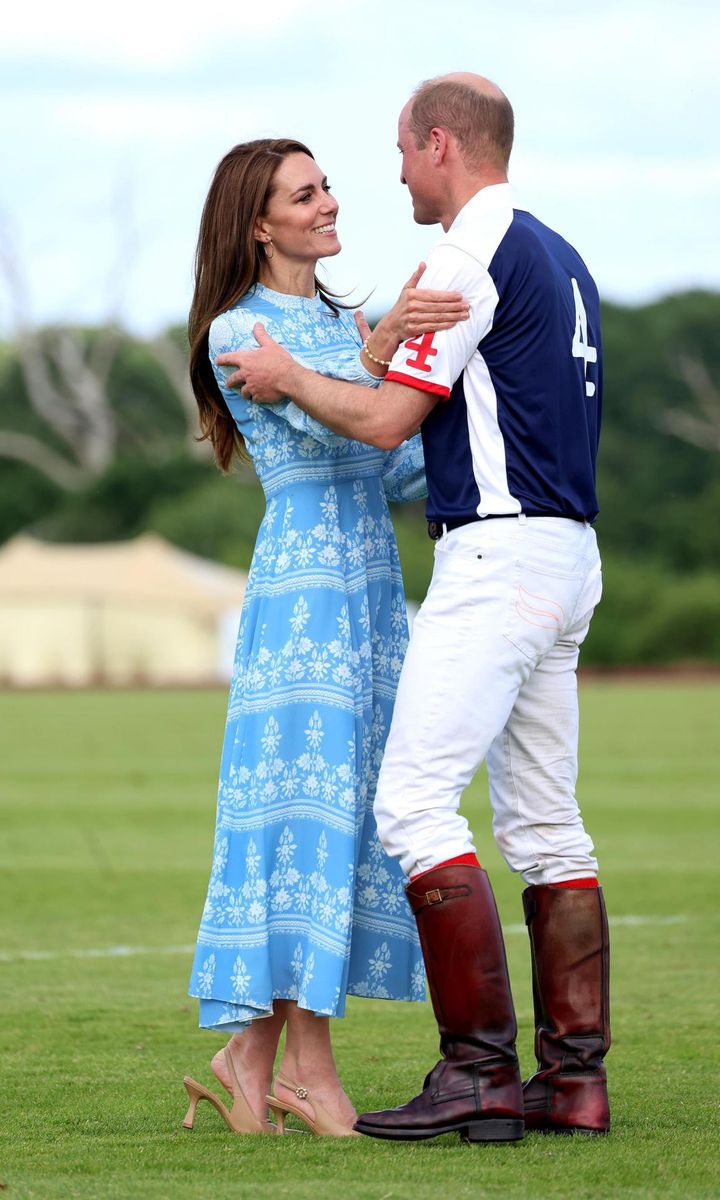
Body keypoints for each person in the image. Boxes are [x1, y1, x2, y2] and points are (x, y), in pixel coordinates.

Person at [217, 74, 611, 1145]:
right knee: (545, 824)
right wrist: (377, 338)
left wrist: (322, 368)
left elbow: (388, 425)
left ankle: (478, 1077)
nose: (386, 176)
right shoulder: (559, 255)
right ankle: (573, 1083)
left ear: (440, 144)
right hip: (569, 549)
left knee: (411, 808)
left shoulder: (464, 257)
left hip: (495, 558)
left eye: (396, 152)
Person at [182, 137, 469, 1137]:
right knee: (302, 817)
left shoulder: (335, 329)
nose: (329, 204)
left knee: (348, 818)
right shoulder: (235, 333)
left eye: (327, 187)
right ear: (260, 223)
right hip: (299, 598)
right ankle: (306, 1065)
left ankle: (250, 1060)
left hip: (374, 597)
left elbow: (388, 461)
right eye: (305, 196)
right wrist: (382, 343)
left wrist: (454, 403)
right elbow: (327, 428)